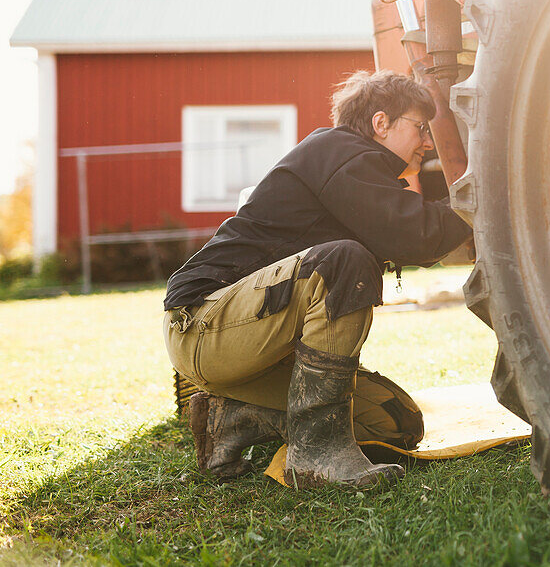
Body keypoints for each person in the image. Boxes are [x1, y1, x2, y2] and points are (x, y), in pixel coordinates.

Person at [163, 69, 472, 489]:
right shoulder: (339, 151)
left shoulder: (356, 169)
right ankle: (317, 455)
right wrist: (481, 195)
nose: (427, 142)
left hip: (253, 340)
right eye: (420, 128)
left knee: (396, 421)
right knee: (343, 262)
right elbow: (416, 233)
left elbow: (415, 235)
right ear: (381, 123)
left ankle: (231, 418)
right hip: (203, 322)